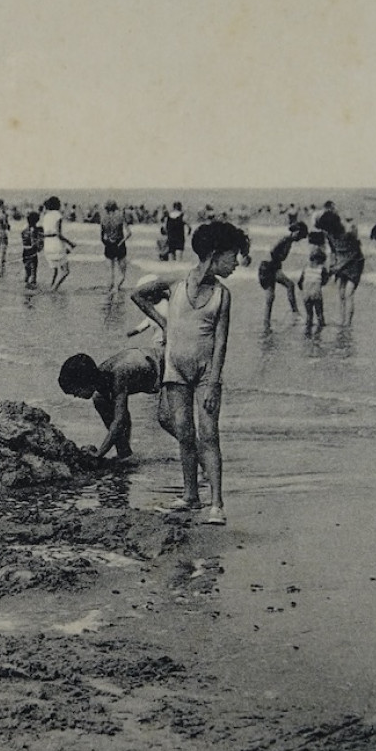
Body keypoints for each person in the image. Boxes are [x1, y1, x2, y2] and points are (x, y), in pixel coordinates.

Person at [130, 221, 250, 526]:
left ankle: (217, 504)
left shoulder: (223, 295)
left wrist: (213, 382)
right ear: (213, 253)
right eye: (233, 256)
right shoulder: (176, 284)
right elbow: (139, 294)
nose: (237, 262)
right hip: (175, 369)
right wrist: (164, 322)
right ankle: (190, 495)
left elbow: (221, 341)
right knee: (184, 434)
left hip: (206, 373)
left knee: (209, 435)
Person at [58, 348, 161, 461]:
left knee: (164, 418)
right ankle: (124, 453)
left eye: (76, 391)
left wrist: (99, 453)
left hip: (160, 366)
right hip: (146, 367)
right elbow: (122, 416)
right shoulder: (101, 377)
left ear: (85, 381)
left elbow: (120, 419)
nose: (75, 396)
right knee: (99, 400)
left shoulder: (118, 376)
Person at [315, 210, 365, 325]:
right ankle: (342, 319)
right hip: (340, 262)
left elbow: (356, 252)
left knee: (349, 293)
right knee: (341, 293)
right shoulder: (328, 233)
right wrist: (332, 265)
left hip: (355, 262)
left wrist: (338, 266)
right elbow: (333, 251)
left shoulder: (348, 232)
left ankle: (347, 322)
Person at [258, 221, 308, 328]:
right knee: (290, 285)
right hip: (269, 267)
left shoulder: (288, 240)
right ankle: (295, 312)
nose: (299, 239)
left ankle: (266, 323)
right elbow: (272, 251)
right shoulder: (286, 239)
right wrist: (278, 260)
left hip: (266, 266)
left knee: (270, 297)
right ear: (297, 232)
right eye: (300, 236)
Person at [39, 196, 75, 290]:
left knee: (55, 269)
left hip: (47, 244)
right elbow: (59, 234)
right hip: (55, 243)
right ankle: (54, 289)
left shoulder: (46, 215)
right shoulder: (58, 215)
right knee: (65, 271)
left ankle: (51, 286)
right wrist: (70, 243)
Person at [98, 199, 131, 292]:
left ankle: (110, 290)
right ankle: (116, 288)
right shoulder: (120, 217)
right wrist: (121, 242)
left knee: (110, 272)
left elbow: (101, 237)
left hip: (108, 245)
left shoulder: (103, 219)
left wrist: (107, 243)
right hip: (119, 244)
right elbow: (129, 233)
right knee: (122, 274)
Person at [299, 238, 330, 333]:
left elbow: (300, 282)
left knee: (309, 315)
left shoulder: (306, 268)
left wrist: (304, 289)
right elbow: (324, 281)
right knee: (319, 314)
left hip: (306, 293)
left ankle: (307, 333)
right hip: (316, 293)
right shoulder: (322, 269)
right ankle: (318, 335)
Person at [20, 210, 43, 289]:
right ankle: (31, 291)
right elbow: (34, 243)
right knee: (33, 272)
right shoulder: (34, 230)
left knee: (27, 271)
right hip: (32, 253)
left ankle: (25, 288)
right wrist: (39, 245)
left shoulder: (24, 230)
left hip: (24, 252)